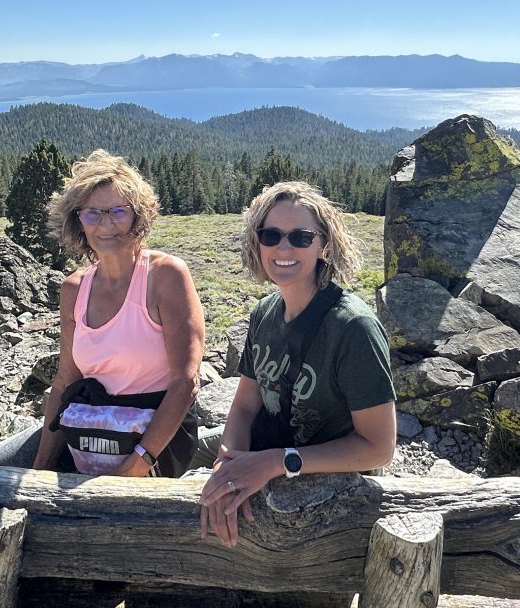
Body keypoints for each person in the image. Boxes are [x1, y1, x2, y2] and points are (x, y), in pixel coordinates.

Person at [199, 181, 396, 546]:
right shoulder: (264, 313)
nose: (284, 248)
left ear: (324, 245)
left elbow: (378, 448)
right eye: (271, 235)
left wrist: (277, 462)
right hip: (265, 451)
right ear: (257, 242)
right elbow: (244, 408)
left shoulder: (353, 328)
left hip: (325, 482)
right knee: (184, 454)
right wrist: (227, 465)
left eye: (301, 237)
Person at [26, 148, 204, 478]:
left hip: (152, 441)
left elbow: (186, 382)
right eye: (93, 213)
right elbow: (65, 380)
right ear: (78, 220)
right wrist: (39, 472)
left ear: (138, 216)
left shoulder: (164, 276)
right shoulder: (74, 288)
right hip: (88, 430)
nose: (106, 224)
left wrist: (132, 469)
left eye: (118, 211)